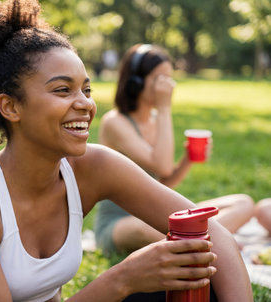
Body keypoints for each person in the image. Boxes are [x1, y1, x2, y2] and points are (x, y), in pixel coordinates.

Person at [0, 1, 253, 301]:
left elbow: (216, 237)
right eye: (62, 90)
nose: (86, 104)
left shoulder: (92, 165)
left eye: (86, 89)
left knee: (203, 279)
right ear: (11, 107)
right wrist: (121, 279)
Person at [94, 44, 256, 256]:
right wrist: (164, 108)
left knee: (243, 203)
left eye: (169, 78)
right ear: (136, 82)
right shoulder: (115, 122)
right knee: (147, 229)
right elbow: (161, 164)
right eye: (159, 78)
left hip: (156, 214)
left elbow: (163, 181)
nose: (167, 85)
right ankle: (217, 239)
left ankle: (205, 240)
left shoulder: (155, 120)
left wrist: (187, 160)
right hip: (121, 224)